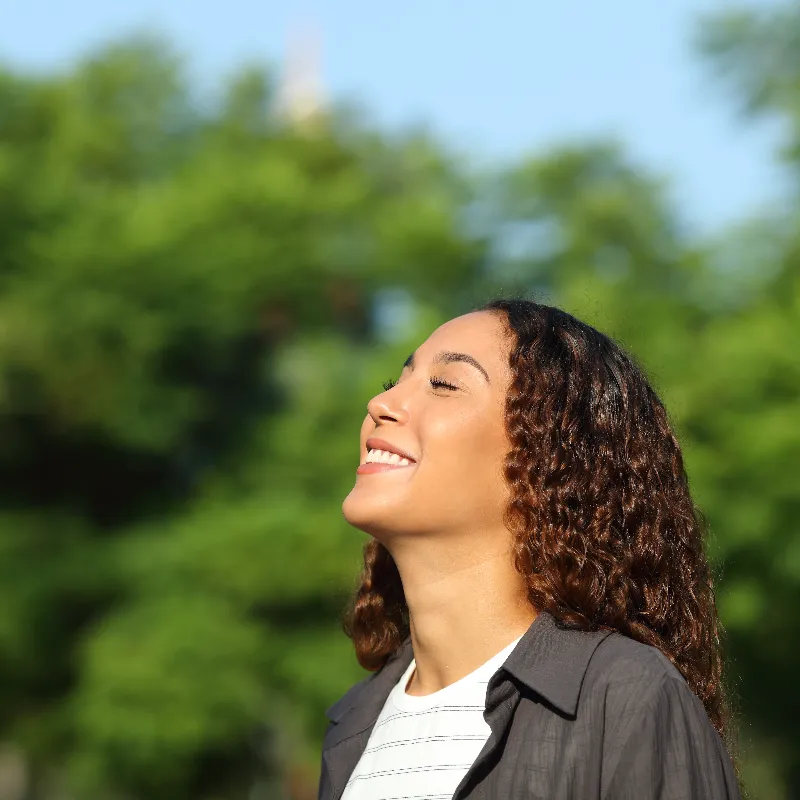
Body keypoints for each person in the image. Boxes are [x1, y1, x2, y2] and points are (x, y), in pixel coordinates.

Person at [317, 298, 742, 800]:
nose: (380, 403)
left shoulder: (625, 698)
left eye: (445, 384)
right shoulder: (353, 726)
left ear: (549, 462)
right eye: (397, 380)